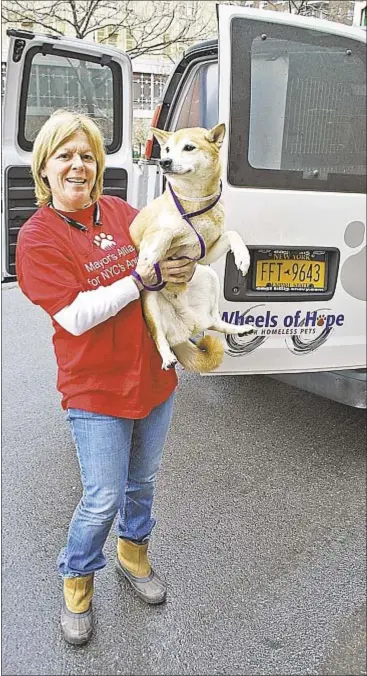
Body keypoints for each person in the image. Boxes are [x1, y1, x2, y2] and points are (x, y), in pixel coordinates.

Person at [16, 109, 195, 646]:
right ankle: (77, 579)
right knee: (101, 496)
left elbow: (172, 243)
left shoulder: (120, 212)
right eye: (65, 155)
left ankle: (132, 555)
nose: (79, 165)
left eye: (88, 155)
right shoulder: (38, 237)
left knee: (142, 483)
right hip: (94, 390)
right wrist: (141, 279)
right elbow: (74, 314)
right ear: (45, 167)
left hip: (153, 376)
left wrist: (185, 262)